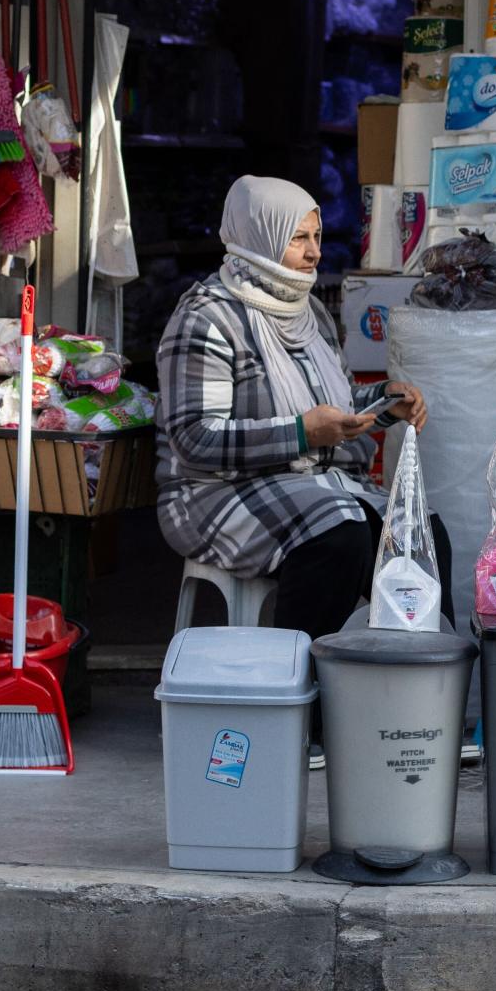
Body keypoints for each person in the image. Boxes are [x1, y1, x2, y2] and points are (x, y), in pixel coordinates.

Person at [156, 176, 454, 651]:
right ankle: (301, 688)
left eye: (316, 237)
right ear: (261, 237)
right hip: (215, 490)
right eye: (298, 238)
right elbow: (195, 439)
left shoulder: (309, 310)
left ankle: (416, 689)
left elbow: (327, 410)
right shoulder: (206, 317)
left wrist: (382, 404)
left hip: (306, 477)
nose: (314, 252)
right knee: (339, 537)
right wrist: (300, 434)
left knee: (421, 533)